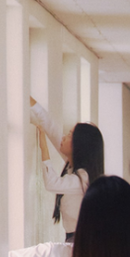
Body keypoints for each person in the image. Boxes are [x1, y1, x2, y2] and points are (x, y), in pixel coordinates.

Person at [30, 96, 104, 238]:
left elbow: (52, 183)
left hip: (83, 238)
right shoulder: (73, 164)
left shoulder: (84, 178)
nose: (63, 137)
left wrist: (43, 147)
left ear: (79, 145)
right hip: (76, 236)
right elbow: (52, 130)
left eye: (69, 135)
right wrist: (31, 103)